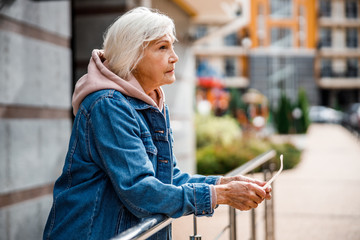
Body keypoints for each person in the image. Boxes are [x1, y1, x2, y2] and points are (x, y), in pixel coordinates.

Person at [43, 7, 271, 240]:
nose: (175, 56)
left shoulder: (151, 102)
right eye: (163, 47)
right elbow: (140, 191)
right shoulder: (108, 105)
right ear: (132, 55)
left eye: (172, 46)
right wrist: (220, 195)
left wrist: (224, 183)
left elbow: (168, 179)